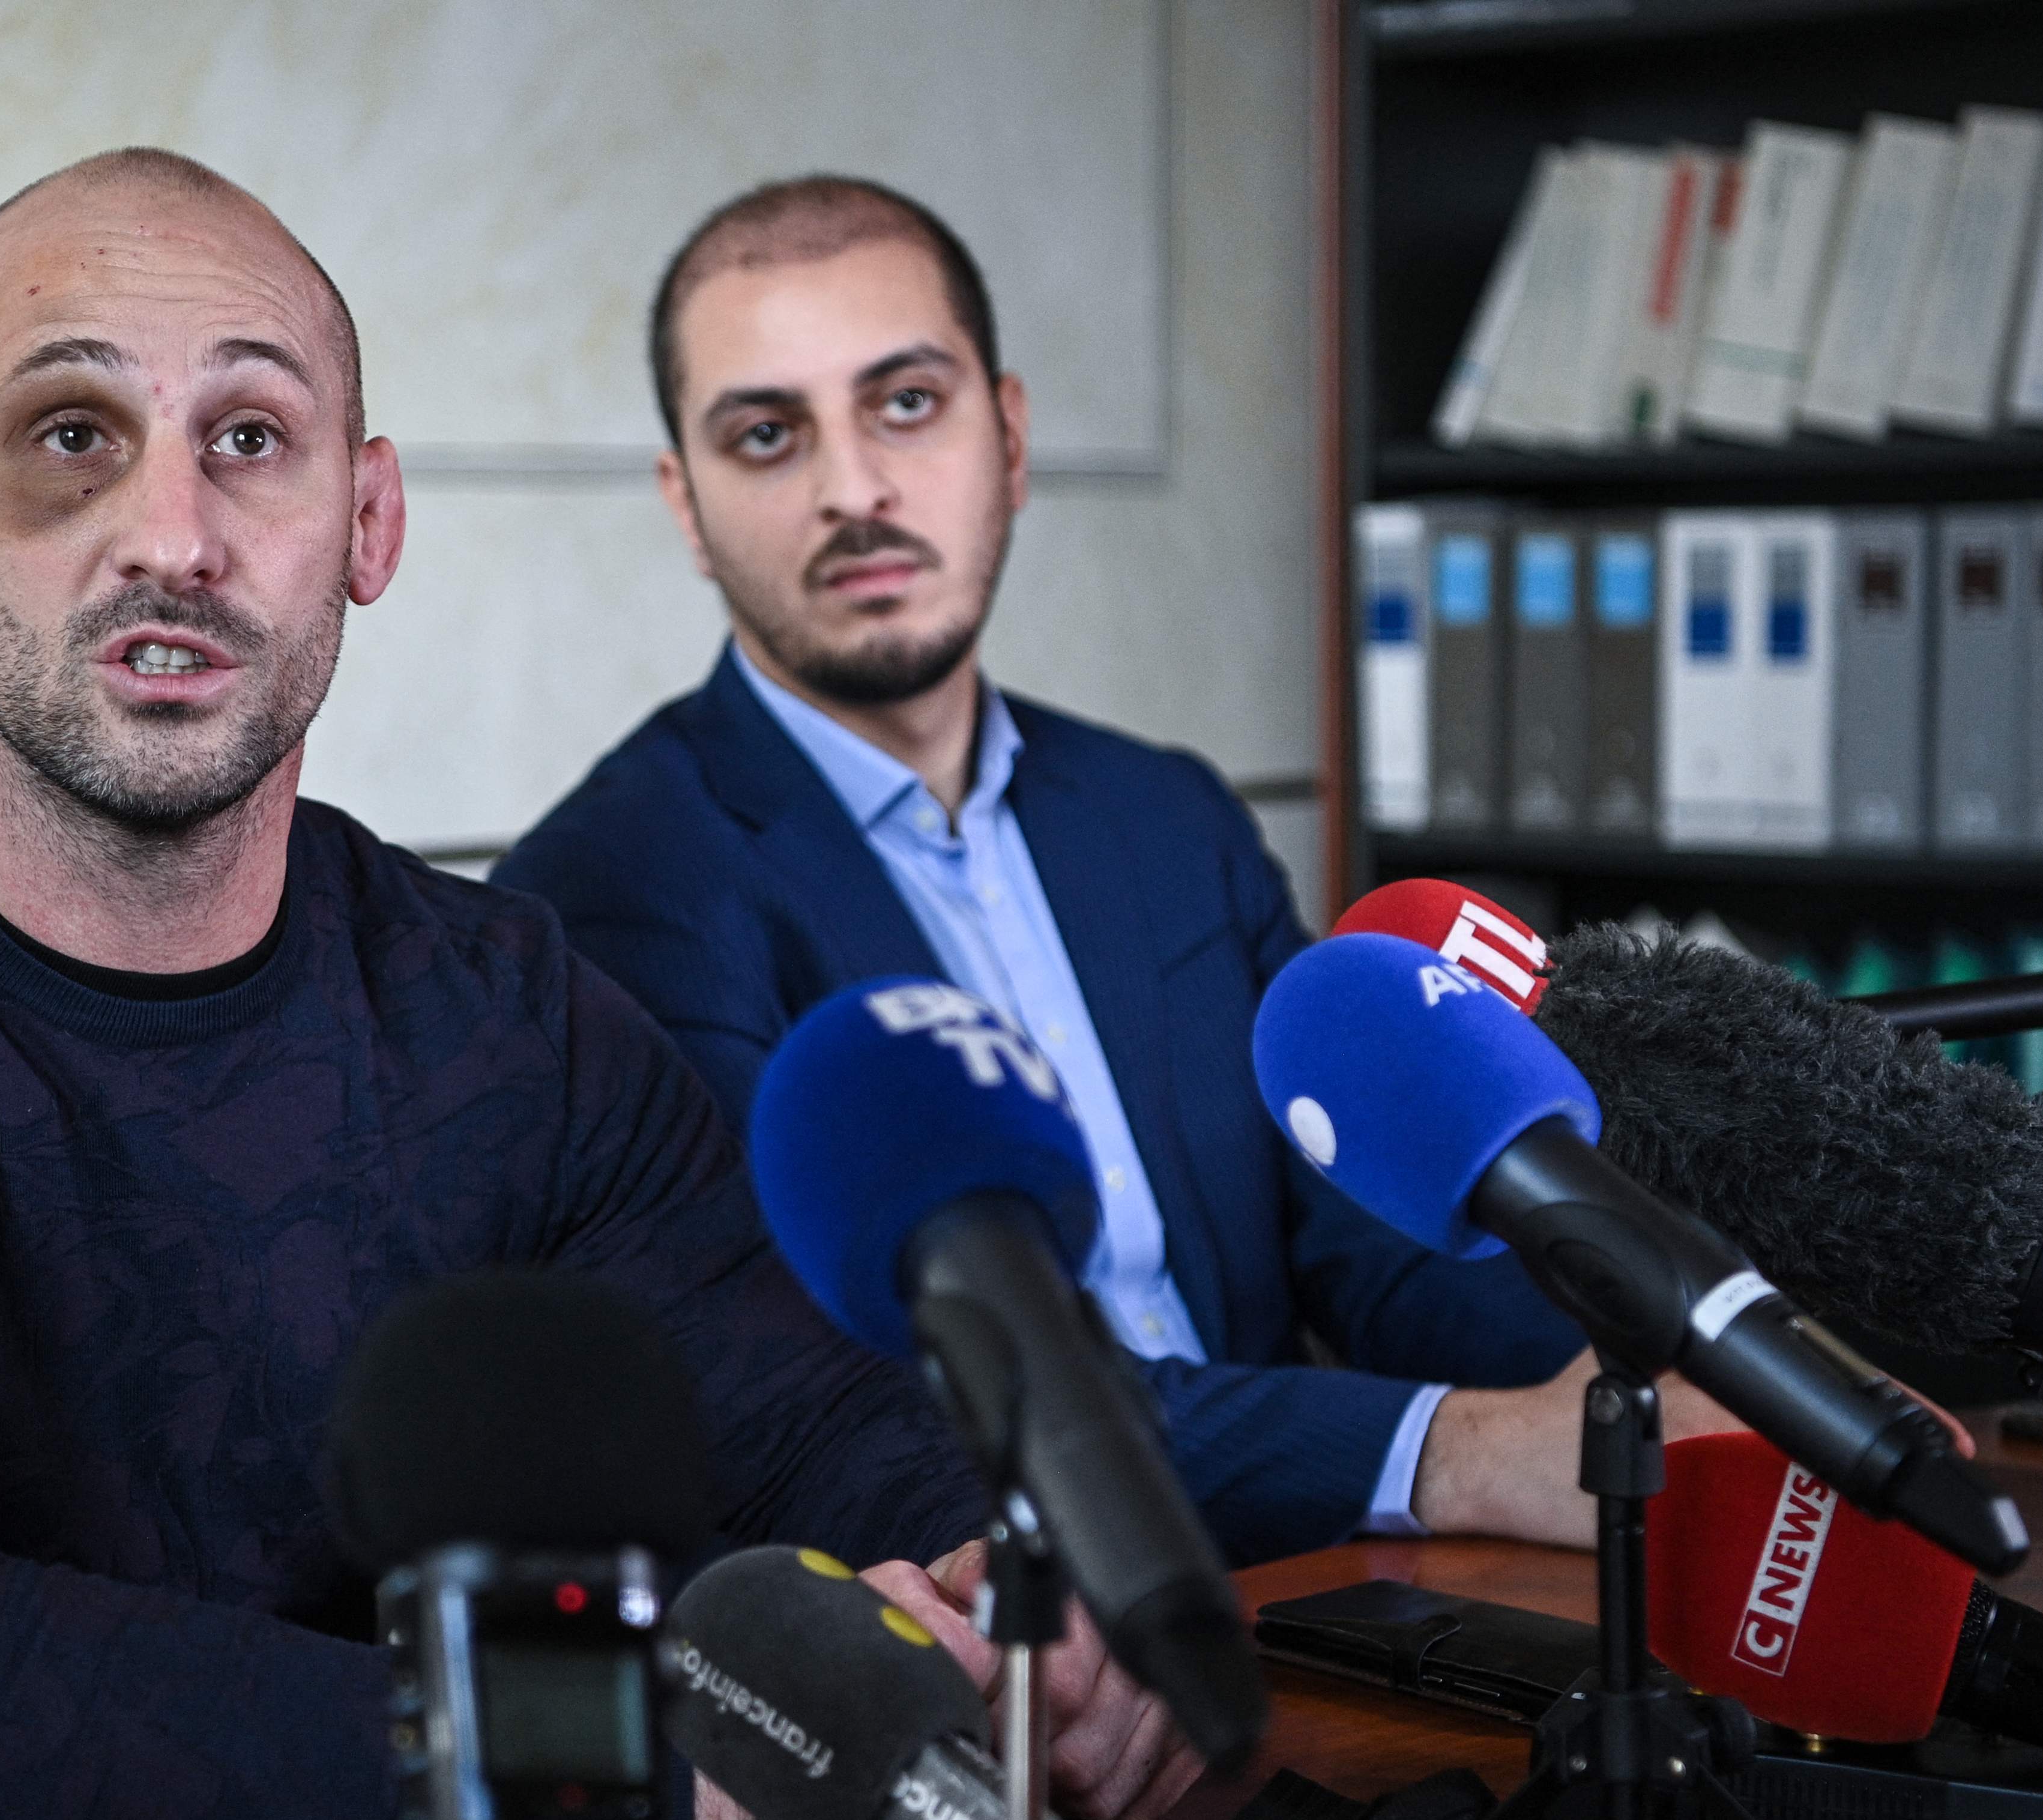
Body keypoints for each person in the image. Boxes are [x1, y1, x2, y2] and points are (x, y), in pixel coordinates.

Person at [0, 151, 1192, 1820]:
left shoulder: (500, 1000)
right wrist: (717, 1744)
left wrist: (1009, 1602)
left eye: (249, 440)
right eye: (67, 433)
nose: (170, 537)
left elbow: (806, 1427)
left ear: (367, 526)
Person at [493, 177, 1755, 1566]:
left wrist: (1652, 1383)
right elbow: (873, 1403)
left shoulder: (1163, 815)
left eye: (906, 402)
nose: (853, 488)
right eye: (766, 433)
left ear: (1012, 437)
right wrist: (1454, 1451)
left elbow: (1377, 1237)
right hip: (991, 1648)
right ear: (686, 503)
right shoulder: (613, 895)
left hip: (1318, 1584)